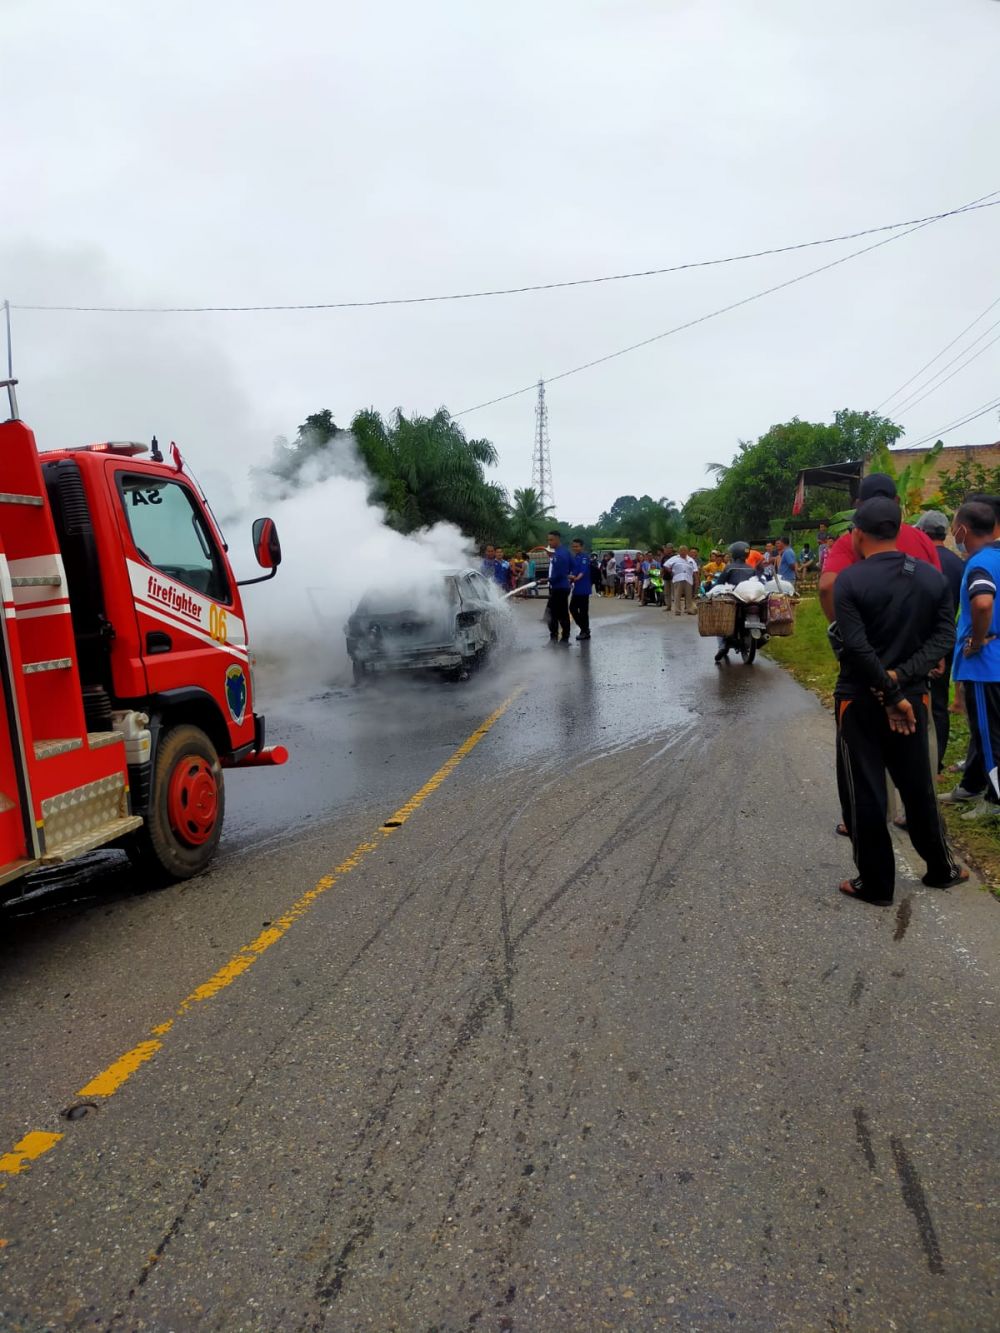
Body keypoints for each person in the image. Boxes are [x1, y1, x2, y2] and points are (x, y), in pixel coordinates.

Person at [832, 497, 965, 905]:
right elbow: (943, 639)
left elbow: (854, 647)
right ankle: (941, 869)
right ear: (900, 528)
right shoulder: (931, 578)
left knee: (866, 791)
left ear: (858, 533)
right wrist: (901, 684)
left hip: (859, 699)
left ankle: (876, 883)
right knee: (917, 784)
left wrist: (887, 688)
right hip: (913, 700)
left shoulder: (850, 581)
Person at [819, 473, 940, 621]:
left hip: (869, 637)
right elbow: (937, 589)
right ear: (897, 501)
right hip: (918, 635)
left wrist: (840, 630)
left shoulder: (851, 541)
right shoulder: (923, 539)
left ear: (858, 505)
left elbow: (827, 586)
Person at [948, 501, 1000, 822]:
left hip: (985, 664)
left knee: (989, 734)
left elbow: (982, 603)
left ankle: (995, 802)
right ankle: (973, 785)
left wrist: (978, 640)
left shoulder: (979, 563)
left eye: (955, 527)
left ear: (963, 530)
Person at [915, 511, 964, 775]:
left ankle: (917, 757)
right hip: (947, 639)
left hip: (917, 641)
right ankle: (937, 761)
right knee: (939, 702)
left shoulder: (919, 561)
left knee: (914, 697)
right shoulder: (959, 565)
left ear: (922, 532)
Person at [713, 541, 756, 663]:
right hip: (749, 600)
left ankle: (722, 646)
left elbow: (720, 583)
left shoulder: (729, 567)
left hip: (733, 599)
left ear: (734, 554)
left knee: (721, 619)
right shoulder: (751, 568)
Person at [545, 529, 572, 643]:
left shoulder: (559, 554)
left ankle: (554, 637)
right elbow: (570, 567)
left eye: (551, 540)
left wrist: (547, 579)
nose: (549, 542)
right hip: (562, 587)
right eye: (548, 540)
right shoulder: (565, 552)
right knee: (562, 612)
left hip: (559, 587)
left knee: (551, 613)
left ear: (557, 539)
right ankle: (564, 637)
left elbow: (560, 574)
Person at [569, 537, 592, 640]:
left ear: (582, 547)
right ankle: (584, 629)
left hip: (583, 588)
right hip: (577, 588)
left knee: (582, 611)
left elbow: (582, 571)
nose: (575, 548)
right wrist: (570, 577)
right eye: (573, 546)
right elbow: (574, 571)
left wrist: (576, 578)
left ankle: (585, 631)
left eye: (577, 546)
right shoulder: (576, 557)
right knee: (572, 608)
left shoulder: (584, 557)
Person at [666, 545, 696, 615]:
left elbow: (695, 570)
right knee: (677, 595)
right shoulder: (674, 558)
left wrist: (696, 580)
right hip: (678, 578)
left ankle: (689, 609)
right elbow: (666, 565)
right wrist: (671, 571)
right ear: (679, 552)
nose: (683, 552)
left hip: (688, 579)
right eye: (681, 551)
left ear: (687, 552)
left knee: (688, 595)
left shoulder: (691, 560)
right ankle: (677, 610)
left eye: (684, 550)